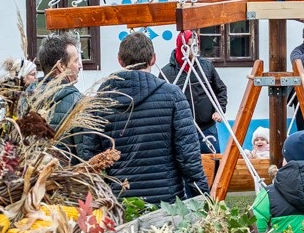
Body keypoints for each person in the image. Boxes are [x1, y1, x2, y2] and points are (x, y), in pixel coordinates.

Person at [87, 30, 205, 206]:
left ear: (120, 60)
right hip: (167, 203)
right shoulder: (173, 96)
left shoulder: (100, 102)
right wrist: (204, 199)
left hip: (121, 202)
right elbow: (189, 157)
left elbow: (90, 158)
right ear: (153, 59)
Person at [160, 28, 228, 153]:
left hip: (207, 128)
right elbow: (161, 102)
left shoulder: (206, 67)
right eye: (191, 46)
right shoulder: (167, 73)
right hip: (182, 131)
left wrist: (219, 110)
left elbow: (221, 89)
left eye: (196, 45)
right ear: (182, 46)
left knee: (214, 161)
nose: (195, 49)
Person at [25, 33, 84, 132]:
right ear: (61, 66)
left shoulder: (24, 98)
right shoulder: (78, 103)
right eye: (76, 60)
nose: (80, 66)